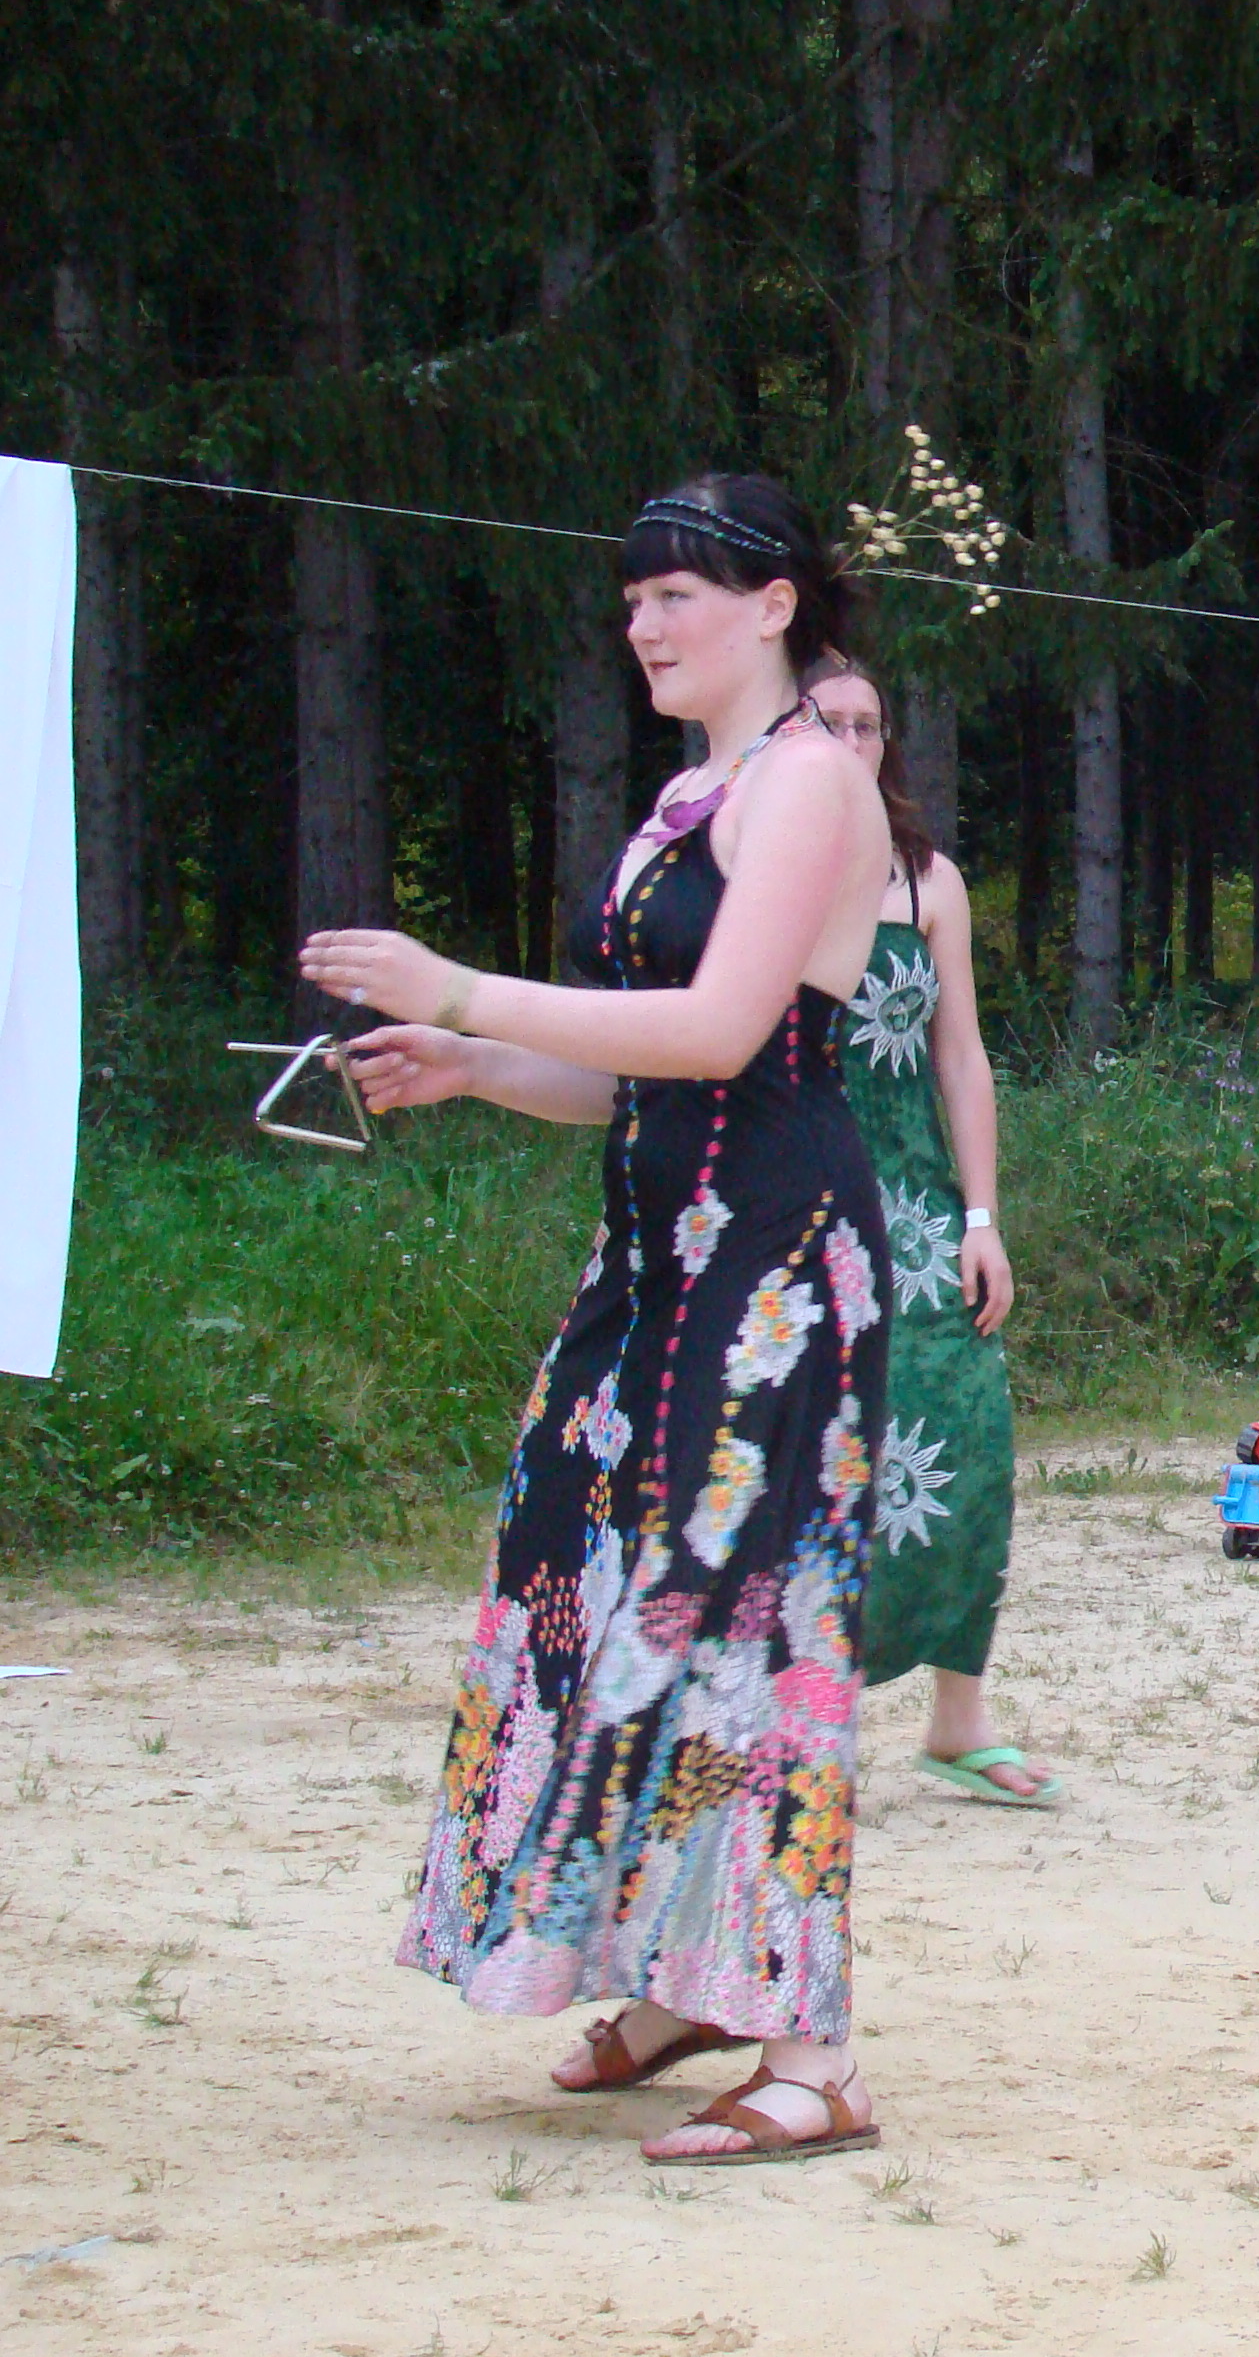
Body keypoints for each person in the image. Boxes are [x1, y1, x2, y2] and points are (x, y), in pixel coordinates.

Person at [301, 475, 897, 2168]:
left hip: (773, 1267)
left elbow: (720, 1033)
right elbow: (635, 1067)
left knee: (749, 1624)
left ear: (774, 605)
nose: (643, 623)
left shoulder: (810, 777)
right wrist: (478, 1061)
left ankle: (813, 2053)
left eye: (676, 594)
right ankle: (679, 1978)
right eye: (631, 598)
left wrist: (457, 983)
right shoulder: (695, 791)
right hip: (655, 1262)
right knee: (597, 1587)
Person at [803, 657, 1057, 1806]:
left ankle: (958, 1720)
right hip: (798, 1203)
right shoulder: (755, 869)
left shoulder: (928, 881)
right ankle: (802, 1719)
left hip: (914, 1211)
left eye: (870, 725)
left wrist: (982, 1217)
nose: (854, 742)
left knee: (964, 1433)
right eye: (830, 722)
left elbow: (961, 1057)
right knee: (809, 1456)